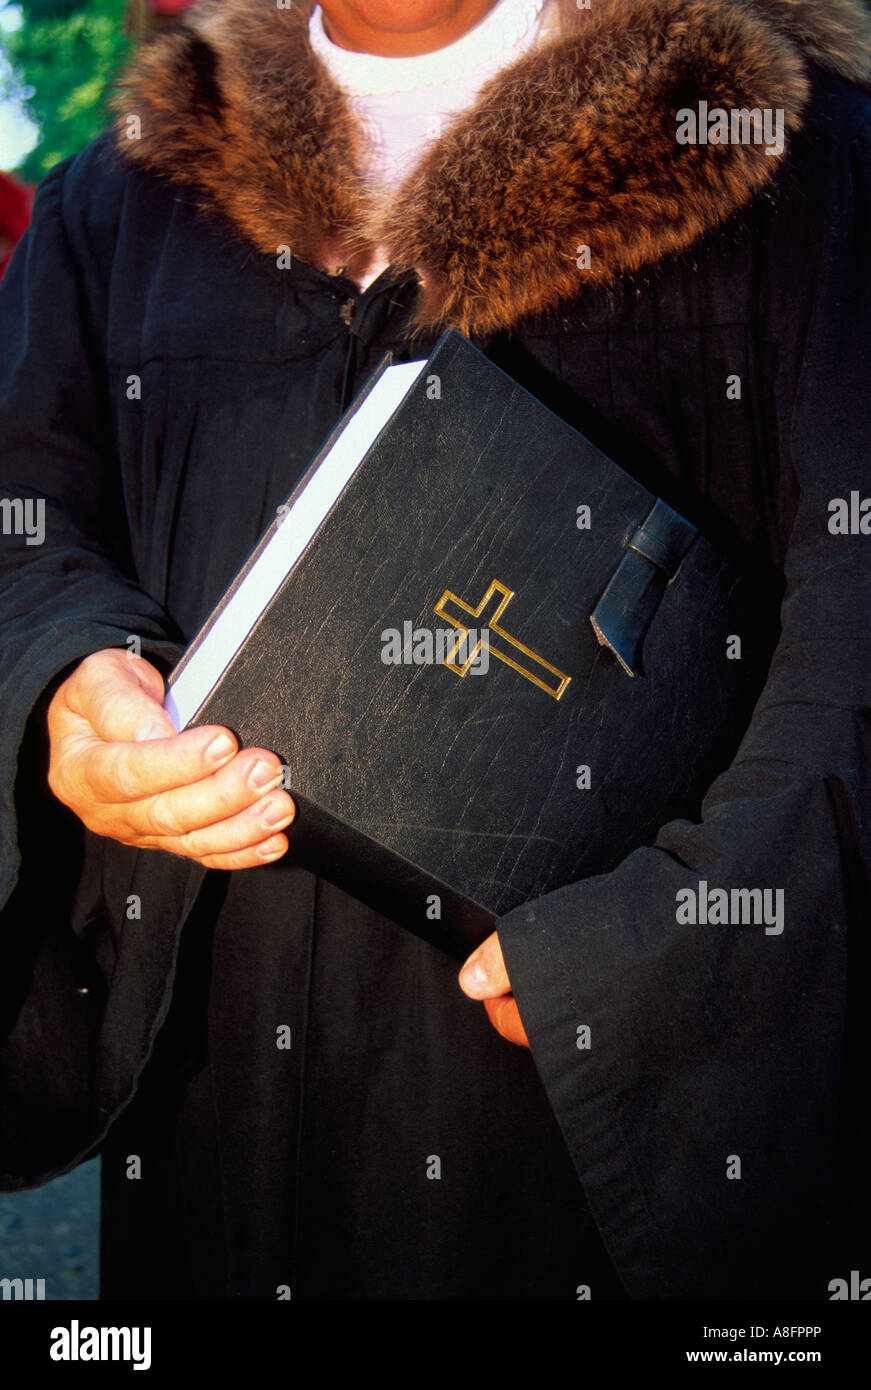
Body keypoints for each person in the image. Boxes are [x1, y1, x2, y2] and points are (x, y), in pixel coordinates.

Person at [1, 0, 870, 1301]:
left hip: (570, 1124)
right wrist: (63, 675)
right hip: (218, 1115)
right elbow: (23, 513)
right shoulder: (124, 196)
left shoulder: (789, 160)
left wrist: (678, 940)